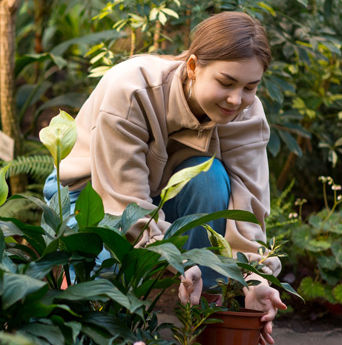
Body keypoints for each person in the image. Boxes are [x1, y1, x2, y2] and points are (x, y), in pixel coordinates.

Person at [44, 11, 285, 345]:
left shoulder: (246, 113)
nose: (236, 99)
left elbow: (248, 205)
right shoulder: (131, 90)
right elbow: (121, 204)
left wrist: (253, 277)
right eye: (226, 82)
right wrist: (175, 260)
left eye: (250, 87)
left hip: (159, 195)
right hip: (89, 192)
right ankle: (112, 324)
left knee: (210, 177)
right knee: (104, 304)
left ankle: (206, 314)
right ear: (192, 67)